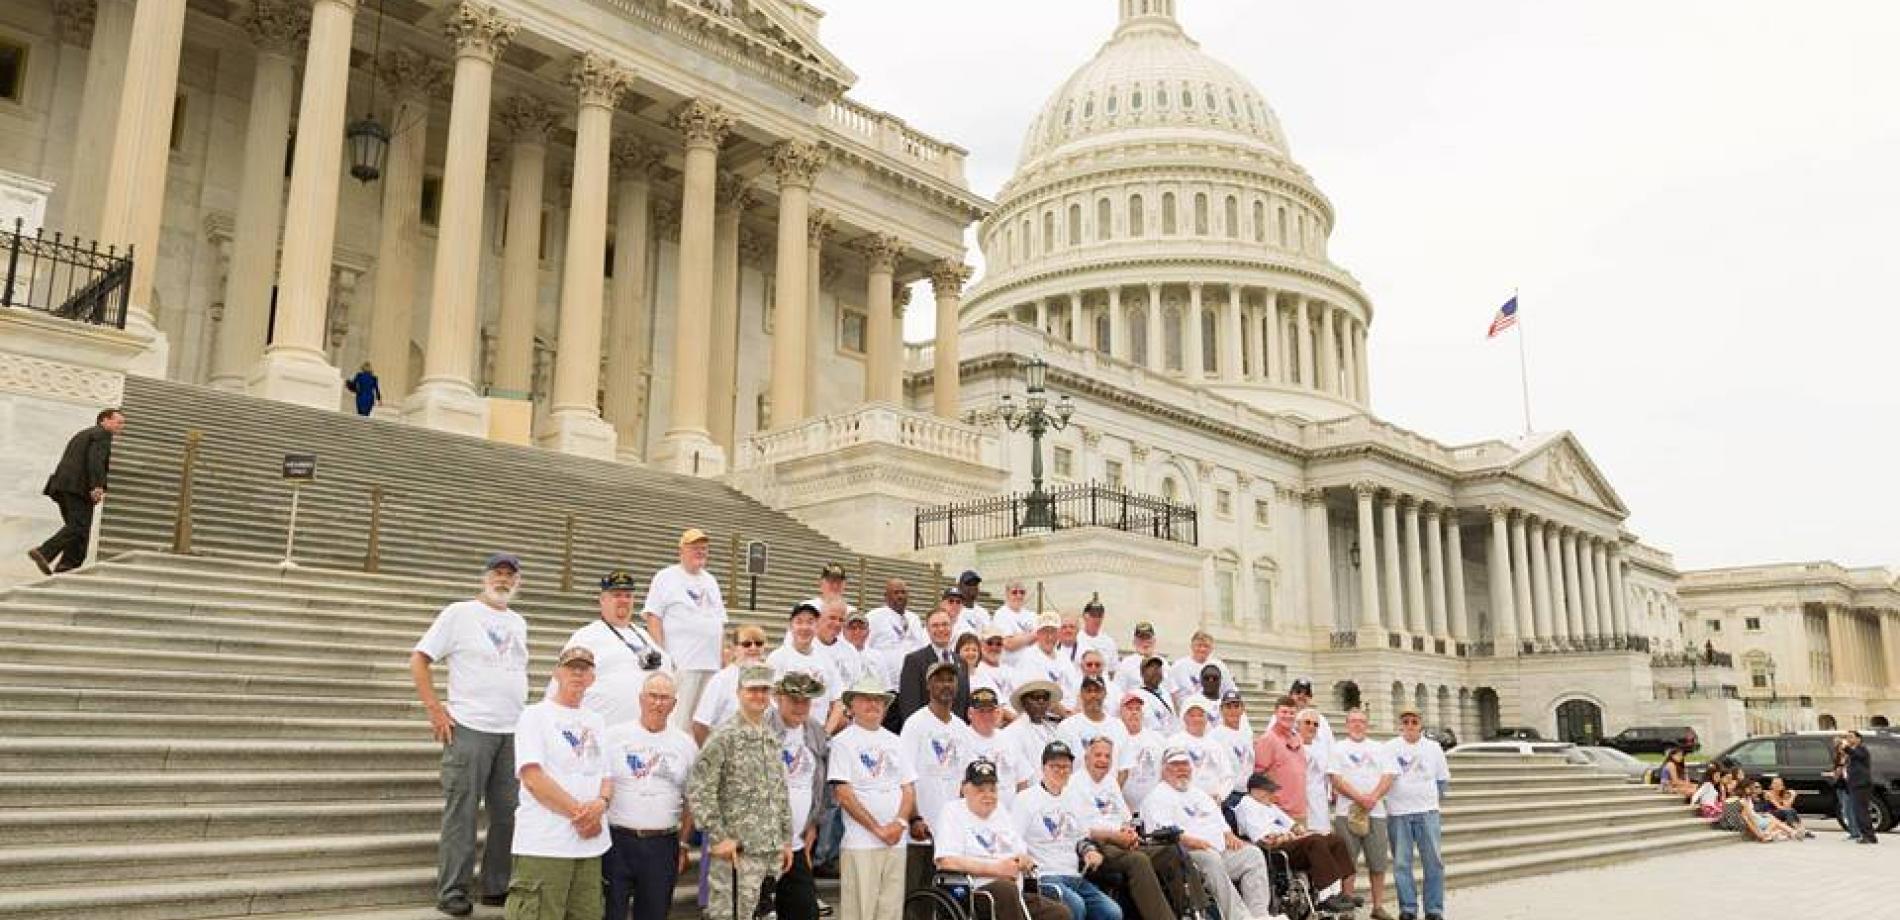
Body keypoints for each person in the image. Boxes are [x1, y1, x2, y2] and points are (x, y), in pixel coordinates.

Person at [410, 553, 529, 916]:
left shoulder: (518, 621)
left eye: (510, 575)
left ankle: (496, 885)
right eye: (498, 573)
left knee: (509, 813)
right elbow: (420, 658)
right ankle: (452, 891)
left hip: (511, 729)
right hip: (470, 727)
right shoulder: (459, 613)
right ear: (484, 577)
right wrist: (435, 709)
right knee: (462, 812)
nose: (503, 580)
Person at [506, 647, 613, 920]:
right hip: (546, 843)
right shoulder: (535, 715)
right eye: (571, 667)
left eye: (584, 668)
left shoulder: (597, 721)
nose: (577, 673)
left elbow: (607, 776)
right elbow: (533, 778)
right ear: (557, 672)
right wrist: (581, 815)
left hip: (590, 846)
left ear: (593, 677)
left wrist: (600, 805)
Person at [686, 664, 794, 920]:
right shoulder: (724, 737)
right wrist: (718, 837)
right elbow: (700, 789)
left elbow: (779, 792)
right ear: (738, 692)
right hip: (737, 855)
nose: (758, 695)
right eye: (752, 689)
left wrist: (785, 839)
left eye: (764, 690)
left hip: (769, 854)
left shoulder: (770, 736)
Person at [1140, 747, 1276, 920]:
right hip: (1188, 856)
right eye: (1175, 765)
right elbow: (1161, 833)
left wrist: (1228, 834)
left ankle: (1259, 915)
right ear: (1164, 769)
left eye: (1185, 764)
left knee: (1252, 854)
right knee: (1211, 858)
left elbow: (1219, 821)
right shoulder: (1157, 796)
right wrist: (1191, 841)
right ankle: (1239, 917)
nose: (1182, 769)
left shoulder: (1198, 794)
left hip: (1218, 850)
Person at [601, 672, 696, 920]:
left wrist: (684, 844)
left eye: (665, 698)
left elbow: (693, 799)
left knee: (655, 913)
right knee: (610, 913)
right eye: (652, 696)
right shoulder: (613, 737)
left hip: (662, 845)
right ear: (641, 699)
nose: (658, 703)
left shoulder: (685, 744)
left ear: (674, 704)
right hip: (616, 841)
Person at [930, 759, 1072, 920]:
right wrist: (996, 869)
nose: (988, 795)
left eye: (992, 789)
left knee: (1059, 912)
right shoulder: (952, 811)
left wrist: (1023, 860)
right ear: (965, 789)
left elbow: (1020, 852)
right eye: (980, 789)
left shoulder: (1001, 811)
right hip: (974, 893)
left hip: (1013, 894)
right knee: (1006, 889)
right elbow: (946, 862)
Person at [831, 674, 916, 920]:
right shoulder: (842, 742)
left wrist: (899, 824)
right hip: (861, 843)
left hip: (896, 842)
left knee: (890, 912)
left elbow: (908, 789)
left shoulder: (896, 741)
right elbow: (843, 794)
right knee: (860, 912)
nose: (873, 704)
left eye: (878, 700)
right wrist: (878, 829)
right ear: (852, 705)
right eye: (866, 699)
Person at [1071, 736, 1179, 920]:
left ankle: (1192, 913)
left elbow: (1126, 819)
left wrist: (1129, 831)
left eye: (1107, 756)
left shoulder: (1111, 782)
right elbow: (1082, 831)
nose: (1103, 760)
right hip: (1096, 847)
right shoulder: (1074, 783)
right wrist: (1114, 836)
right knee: (1138, 861)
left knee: (1171, 851)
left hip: (1121, 842)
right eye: (1098, 755)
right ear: (1086, 757)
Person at [1013, 740, 1123, 920]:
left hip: (1075, 875)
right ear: (1043, 768)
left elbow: (1081, 838)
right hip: (1044, 876)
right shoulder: (1025, 799)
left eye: (1066, 767)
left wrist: (1089, 852)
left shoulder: (1074, 797)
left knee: (1112, 912)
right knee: (1076, 906)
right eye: (1055, 766)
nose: (1061, 771)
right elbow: (1014, 839)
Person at [556, 571, 673, 730]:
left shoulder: (644, 636)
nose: (623, 600)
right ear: (603, 600)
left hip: (645, 737)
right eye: (617, 595)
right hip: (602, 734)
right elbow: (559, 687)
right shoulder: (585, 637)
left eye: (628, 596)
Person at [1233, 774, 1357, 915]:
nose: (1272, 794)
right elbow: (1263, 839)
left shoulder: (1270, 806)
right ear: (1255, 790)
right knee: (1315, 841)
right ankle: (1325, 896)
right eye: (1268, 790)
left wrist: (1301, 831)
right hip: (1275, 848)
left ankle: (1340, 892)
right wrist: (1288, 836)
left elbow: (1294, 825)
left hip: (1292, 841)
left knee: (1335, 840)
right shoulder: (1246, 805)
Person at [643, 529, 726, 730]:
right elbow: (653, 617)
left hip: (711, 665)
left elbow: (720, 623)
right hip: (683, 663)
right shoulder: (666, 577)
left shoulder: (711, 580)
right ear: (681, 551)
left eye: (704, 549)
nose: (700, 552)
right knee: (679, 722)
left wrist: (723, 660)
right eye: (695, 548)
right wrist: (664, 655)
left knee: (704, 723)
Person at [902, 662, 974, 895]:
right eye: (939, 679)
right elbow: (905, 777)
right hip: (921, 832)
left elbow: (966, 782)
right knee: (918, 898)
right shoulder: (915, 724)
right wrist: (914, 818)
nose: (946, 685)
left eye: (950, 680)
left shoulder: (962, 728)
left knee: (950, 901)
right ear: (928, 684)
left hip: (950, 834)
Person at [28, 407, 122, 575]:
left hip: (62, 486)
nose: (121, 426)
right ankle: (44, 552)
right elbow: (95, 461)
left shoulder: (84, 434)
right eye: (118, 422)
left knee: (79, 528)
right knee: (79, 525)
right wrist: (97, 486)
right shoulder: (102, 434)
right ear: (104, 420)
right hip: (78, 488)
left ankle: (67, 566)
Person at [768, 672, 831, 920]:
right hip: (764, 845)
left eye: (806, 700)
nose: (800, 706)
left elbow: (819, 783)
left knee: (806, 912)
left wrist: (812, 824)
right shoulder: (761, 727)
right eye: (794, 699)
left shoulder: (814, 730)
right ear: (778, 698)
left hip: (796, 844)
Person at [1330, 709, 1397, 920]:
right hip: (1346, 812)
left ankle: (1377, 906)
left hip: (1375, 812)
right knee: (1348, 861)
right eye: (1353, 721)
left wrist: (1373, 797)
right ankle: (1348, 906)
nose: (1358, 725)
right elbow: (1335, 778)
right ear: (1347, 724)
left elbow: (1388, 776)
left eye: (1362, 721)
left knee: (1377, 861)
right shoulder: (1338, 748)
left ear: (1366, 725)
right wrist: (1359, 798)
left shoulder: (1379, 748)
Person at [1385, 709, 1450, 920]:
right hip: (1399, 813)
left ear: (1420, 724)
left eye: (1414, 721)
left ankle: (1434, 909)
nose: (1410, 725)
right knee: (1402, 863)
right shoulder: (1390, 747)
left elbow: (1442, 779)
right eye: (1406, 721)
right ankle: (1408, 908)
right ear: (1400, 725)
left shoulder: (1433, 748)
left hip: (1427, 812)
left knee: (1433, 861)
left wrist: (1431, 801)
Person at [769, 602, 846, 731]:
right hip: (784, 732)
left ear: (817, 626)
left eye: (810, 622)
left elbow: (838, 701)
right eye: (799, 622)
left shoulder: (826, 660)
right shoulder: (777, 658)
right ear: (791, 626)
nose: (804, 627)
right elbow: (771, 699)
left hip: (816, 732)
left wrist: (825, 733)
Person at [893, 606, 972, 731]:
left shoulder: (961, 662)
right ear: (928, 630)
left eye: (945, 624)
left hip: (955, 733)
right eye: (935, 625)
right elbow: (909, 706)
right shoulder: (914, 661)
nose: (941, 629)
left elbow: (964, 705)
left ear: (952, 627)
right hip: (926, 734)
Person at [691, 625, 770, 744]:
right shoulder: (721, 680)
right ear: (734, 648)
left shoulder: (769, 678)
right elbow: (700, 725)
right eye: (746, 644)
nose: (753, 648)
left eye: (758, 643)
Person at [963, 687, 1032, 810]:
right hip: (975, 815)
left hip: (1008, 816)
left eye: (990, 710)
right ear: (970, 713)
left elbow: (1022, 782)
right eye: (981, 711)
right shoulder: (961, 740)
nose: (986, 715)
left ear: (997, 712)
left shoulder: (1009, 739)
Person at [1253, 696, 1309, 826]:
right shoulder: (1268, 739)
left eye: (1292, 713)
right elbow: (1258, 776)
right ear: (1276, 713)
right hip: (1280, 812)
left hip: (1300, 811)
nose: (1288, 716)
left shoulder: (1298, 738)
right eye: (1284, 712)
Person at [1014, 612, 1081, 717]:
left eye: (1053, 632)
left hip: (1069, 717)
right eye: (1045, 632)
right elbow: (1041, 694)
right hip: (1044, 719)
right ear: (1037, 634)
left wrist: (1077, 711)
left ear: (1058, 634)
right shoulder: (1029, 656)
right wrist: (1068, 716)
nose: (1049, 637)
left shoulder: (1063, 657)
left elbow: (1076, 687)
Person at [1001, 681, 1064, 789]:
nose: (1041, 701)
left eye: (1045, 698)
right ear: (1024, 702)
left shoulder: (1052, 730)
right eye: (1036, 697)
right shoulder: (1012, 732)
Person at [1115, 691, 1168, 816]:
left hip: (1154, 809)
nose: (1134, 712)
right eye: (1129, 709)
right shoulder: (1115, 739)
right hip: (1125, 810)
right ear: (1120, 713)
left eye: (1137, 709)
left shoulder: (1157, 739)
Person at [865, 579, 923, 689]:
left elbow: (920, 648)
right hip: (884, 685)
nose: (900, 596)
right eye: (896, 592)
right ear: (886, 596)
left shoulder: (914, 619)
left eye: (903, 592)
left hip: (911, 685)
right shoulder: (874, 617)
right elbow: (865, 648)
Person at [1165, 632, 1234, 708]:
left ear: (1211, 648)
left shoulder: (1220, 666)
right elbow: (1171, 692)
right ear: (1192, 646)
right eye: (1199, 645)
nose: (1202, 649)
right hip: (1188, 712)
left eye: (1206, 646)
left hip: (1213, 712)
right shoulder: (1178, 666)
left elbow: (1229, 690)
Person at [1058, 676, 1123, 757]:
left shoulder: (1119, 726)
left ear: (1105, 694)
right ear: (1081, 694)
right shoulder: (1067, 726)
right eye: (1088, 691)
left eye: (1097, 691)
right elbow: (1060, 762)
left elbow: (1124, 764)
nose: (1093, 695)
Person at [1295, 709, 1334, 834]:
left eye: (1315, 724)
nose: (1311, 726)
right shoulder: (1290, 745)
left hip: (1318, 802)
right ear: (1298, 724)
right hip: (1298, 803)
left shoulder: (1322, 749)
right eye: (1307, 722)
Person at [972, 628, 1021, 722]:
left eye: (998, 644)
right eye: (989, 643)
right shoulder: (977, 670)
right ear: (980, 645)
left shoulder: (1011, 670)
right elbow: (992, 705)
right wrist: (1019, 722)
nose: (994, 647)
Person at [989, 580, 1039, 665]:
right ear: (1007, 594)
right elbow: (1009, 644)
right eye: (1014, 592)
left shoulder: (1032, 615)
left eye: (1022, 592)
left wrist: (1018, 637)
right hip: (1011, 667)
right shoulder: (1001, 614)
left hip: (1032, 666)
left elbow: (1041, 639)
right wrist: (1033, 635)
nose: (1018, 595)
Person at [1736, 781, 1801, 842]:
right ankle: (1791, 832)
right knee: (1776, 822)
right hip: (1757, 819)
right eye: (1753, 787)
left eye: (1758, 787)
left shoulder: (1757, 797)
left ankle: (1788, 832)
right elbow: (1747, 817)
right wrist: (1758, 833)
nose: (1753, 789)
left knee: (1788, 814)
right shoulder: (1745, 800)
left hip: (1760, 817)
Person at [1844, 730, 1878, 844]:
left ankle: (1869, 836)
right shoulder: (1853, 752)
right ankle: (1867, 835)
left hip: (1861, 785)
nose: (1848, 739)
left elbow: (1857, 755)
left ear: (1858, 739)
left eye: (1851, 737)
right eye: (1847, 737)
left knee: (1861, 811)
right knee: (1858, 811)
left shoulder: (1861, 749)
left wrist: (1845, 748)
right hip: (1854, 785)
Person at [1131, 656, 1179, 736]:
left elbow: (1173, 720)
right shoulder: (1135, 695)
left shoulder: (1166, 693)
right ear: (1142, 673)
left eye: (1158, 667)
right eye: (1151, 667)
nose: (1156, 670)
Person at [1115, 622, 1164, 696]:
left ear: (1154, 640)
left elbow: (1171, 691)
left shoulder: (1164, 663)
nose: (1145, 642)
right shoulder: (1126, 664)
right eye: (1141, 639)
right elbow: (1118, 691)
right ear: (1134, 642)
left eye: (1148, 638)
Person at [1074, 598, 1119, 678]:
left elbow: (1113, 671)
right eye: (1093, 615)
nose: (1097, 619)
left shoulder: (1109, 642)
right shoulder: (1075, 639)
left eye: (1099, 616)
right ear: (1085, 616)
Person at [1829, 736, 1860, 840]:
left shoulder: (1850, 757)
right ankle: (1852, 831)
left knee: (1849, 809)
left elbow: (1845, 771)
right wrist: (1835, 773)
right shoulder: (1838, 757)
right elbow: (1836, 771)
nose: (1839, 748)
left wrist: (1840, 769)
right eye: (1837, 746)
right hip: (1840, 786)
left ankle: (1855, 832)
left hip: (1848, 787)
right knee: (1845, 810)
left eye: (1841, 746)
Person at [952, 570, 990, 638]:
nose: (972, 587)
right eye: (968, 584)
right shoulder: (953, 611)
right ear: (959, 586)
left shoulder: (983, 613)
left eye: (975, 584)